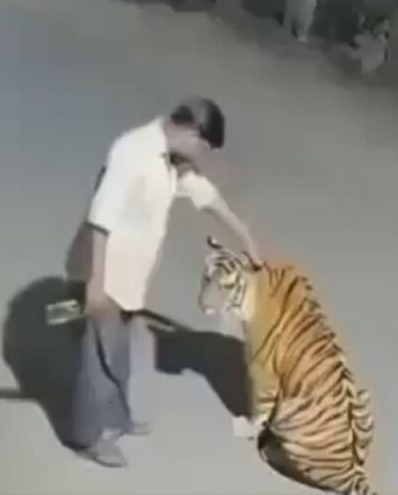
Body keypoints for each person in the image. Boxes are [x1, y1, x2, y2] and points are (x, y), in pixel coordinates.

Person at [64, 97, 262, 468]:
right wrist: (95, 284)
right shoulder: (132, 151)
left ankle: (115, 418)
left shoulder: (173, 163)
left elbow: (210, 200)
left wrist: (247, 241)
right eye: (204, 148)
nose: (202, 158)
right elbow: (100, 218)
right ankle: (85, 436)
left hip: (130, 280)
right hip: (105, 273)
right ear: (190, 133)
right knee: (96, 360)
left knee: (118, 352)